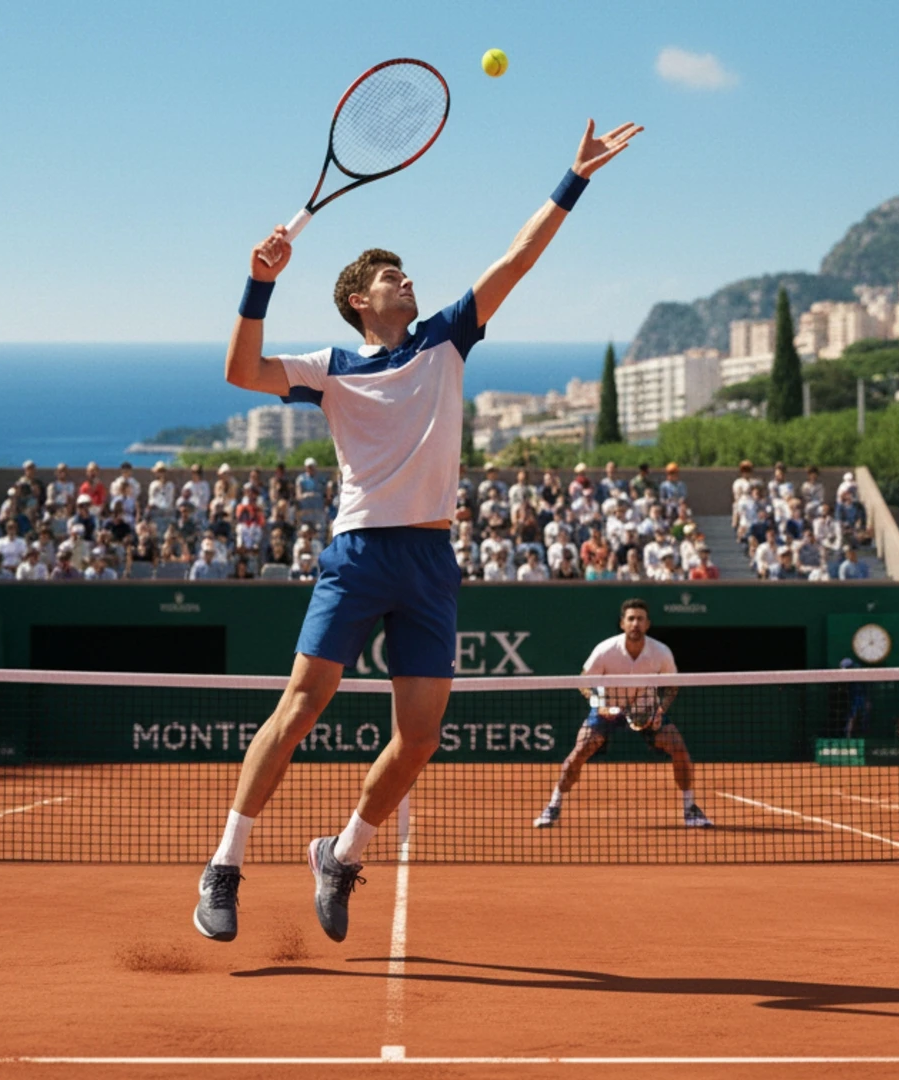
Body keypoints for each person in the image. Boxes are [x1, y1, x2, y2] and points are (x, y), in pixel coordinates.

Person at [194, 115, 643, 945]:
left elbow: (516, 258)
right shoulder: (329, 369)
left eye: (406, 274)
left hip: (431, 556)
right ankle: (225, 864)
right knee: (299, 710)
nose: (408, 281)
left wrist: (574, 178)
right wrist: (258, 283)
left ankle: (342, 851)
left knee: (421, 738)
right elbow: (240, 371)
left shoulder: (447, 337)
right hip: (360, 552)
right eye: (393, 276)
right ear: (361, 300)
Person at [532, 598, 712, 830]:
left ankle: (690, 809)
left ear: (648, 624)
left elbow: (672, 686)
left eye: (640, 619)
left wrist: (660, 709)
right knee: (577, 755)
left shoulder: (661, 652)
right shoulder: (606, 650)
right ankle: (553, 806)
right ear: (622, 623)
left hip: (645, 710)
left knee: (679, 749)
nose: (635, 623)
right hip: (608, 709)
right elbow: (583, 682)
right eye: (631, 619)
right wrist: (598, 704)